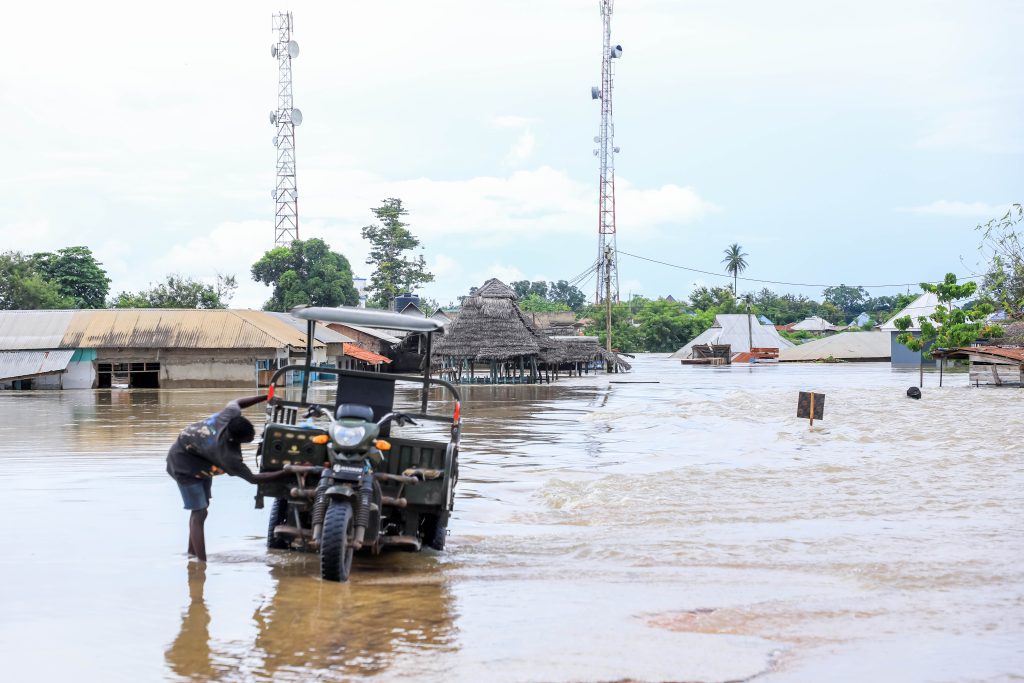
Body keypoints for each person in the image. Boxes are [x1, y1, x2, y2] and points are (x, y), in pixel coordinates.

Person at [166, 395, 289, 562]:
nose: (252, 438)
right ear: (233, 440)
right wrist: (286, 472)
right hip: (183, 467)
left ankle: (191, 553)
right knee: (199, 512)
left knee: (203, 509)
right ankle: (201, 563)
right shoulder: (228, 456)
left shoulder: (229, 414)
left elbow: (238, 402)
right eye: (248, 439)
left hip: (200, 460)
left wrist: (267, 396)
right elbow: (253, 478)